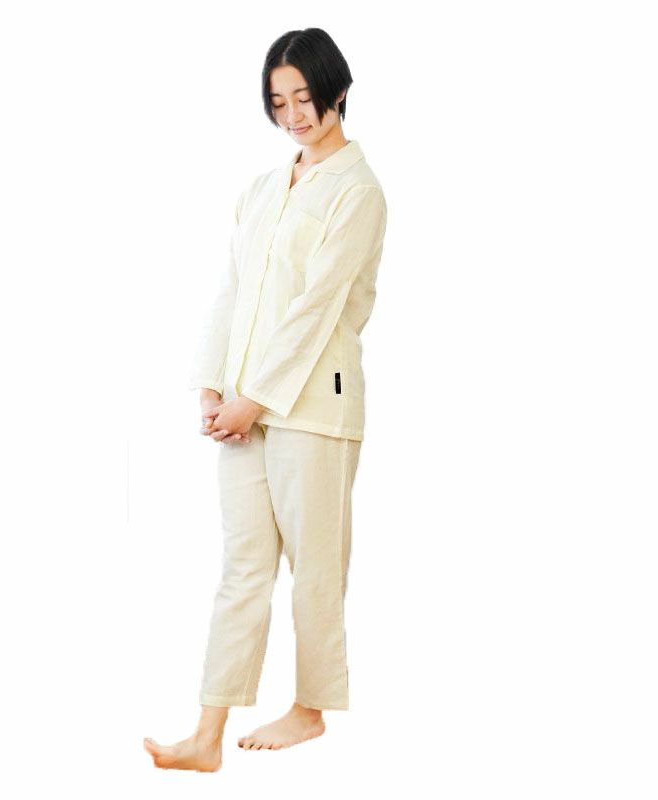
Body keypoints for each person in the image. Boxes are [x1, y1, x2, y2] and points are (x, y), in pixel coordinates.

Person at [144, 27, 388, 772]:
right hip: (244, 409)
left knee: (316, 564)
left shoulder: (357, 191)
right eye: (278, 102)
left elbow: (316, 308)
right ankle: (206, 736)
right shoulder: (260, 190)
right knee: (243, 567)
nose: (292, 115)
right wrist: (213, 384)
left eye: (304, 97)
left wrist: (253, 399)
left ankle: (310, 709)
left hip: (314, 408)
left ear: (336, 90)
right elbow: (233, 290)